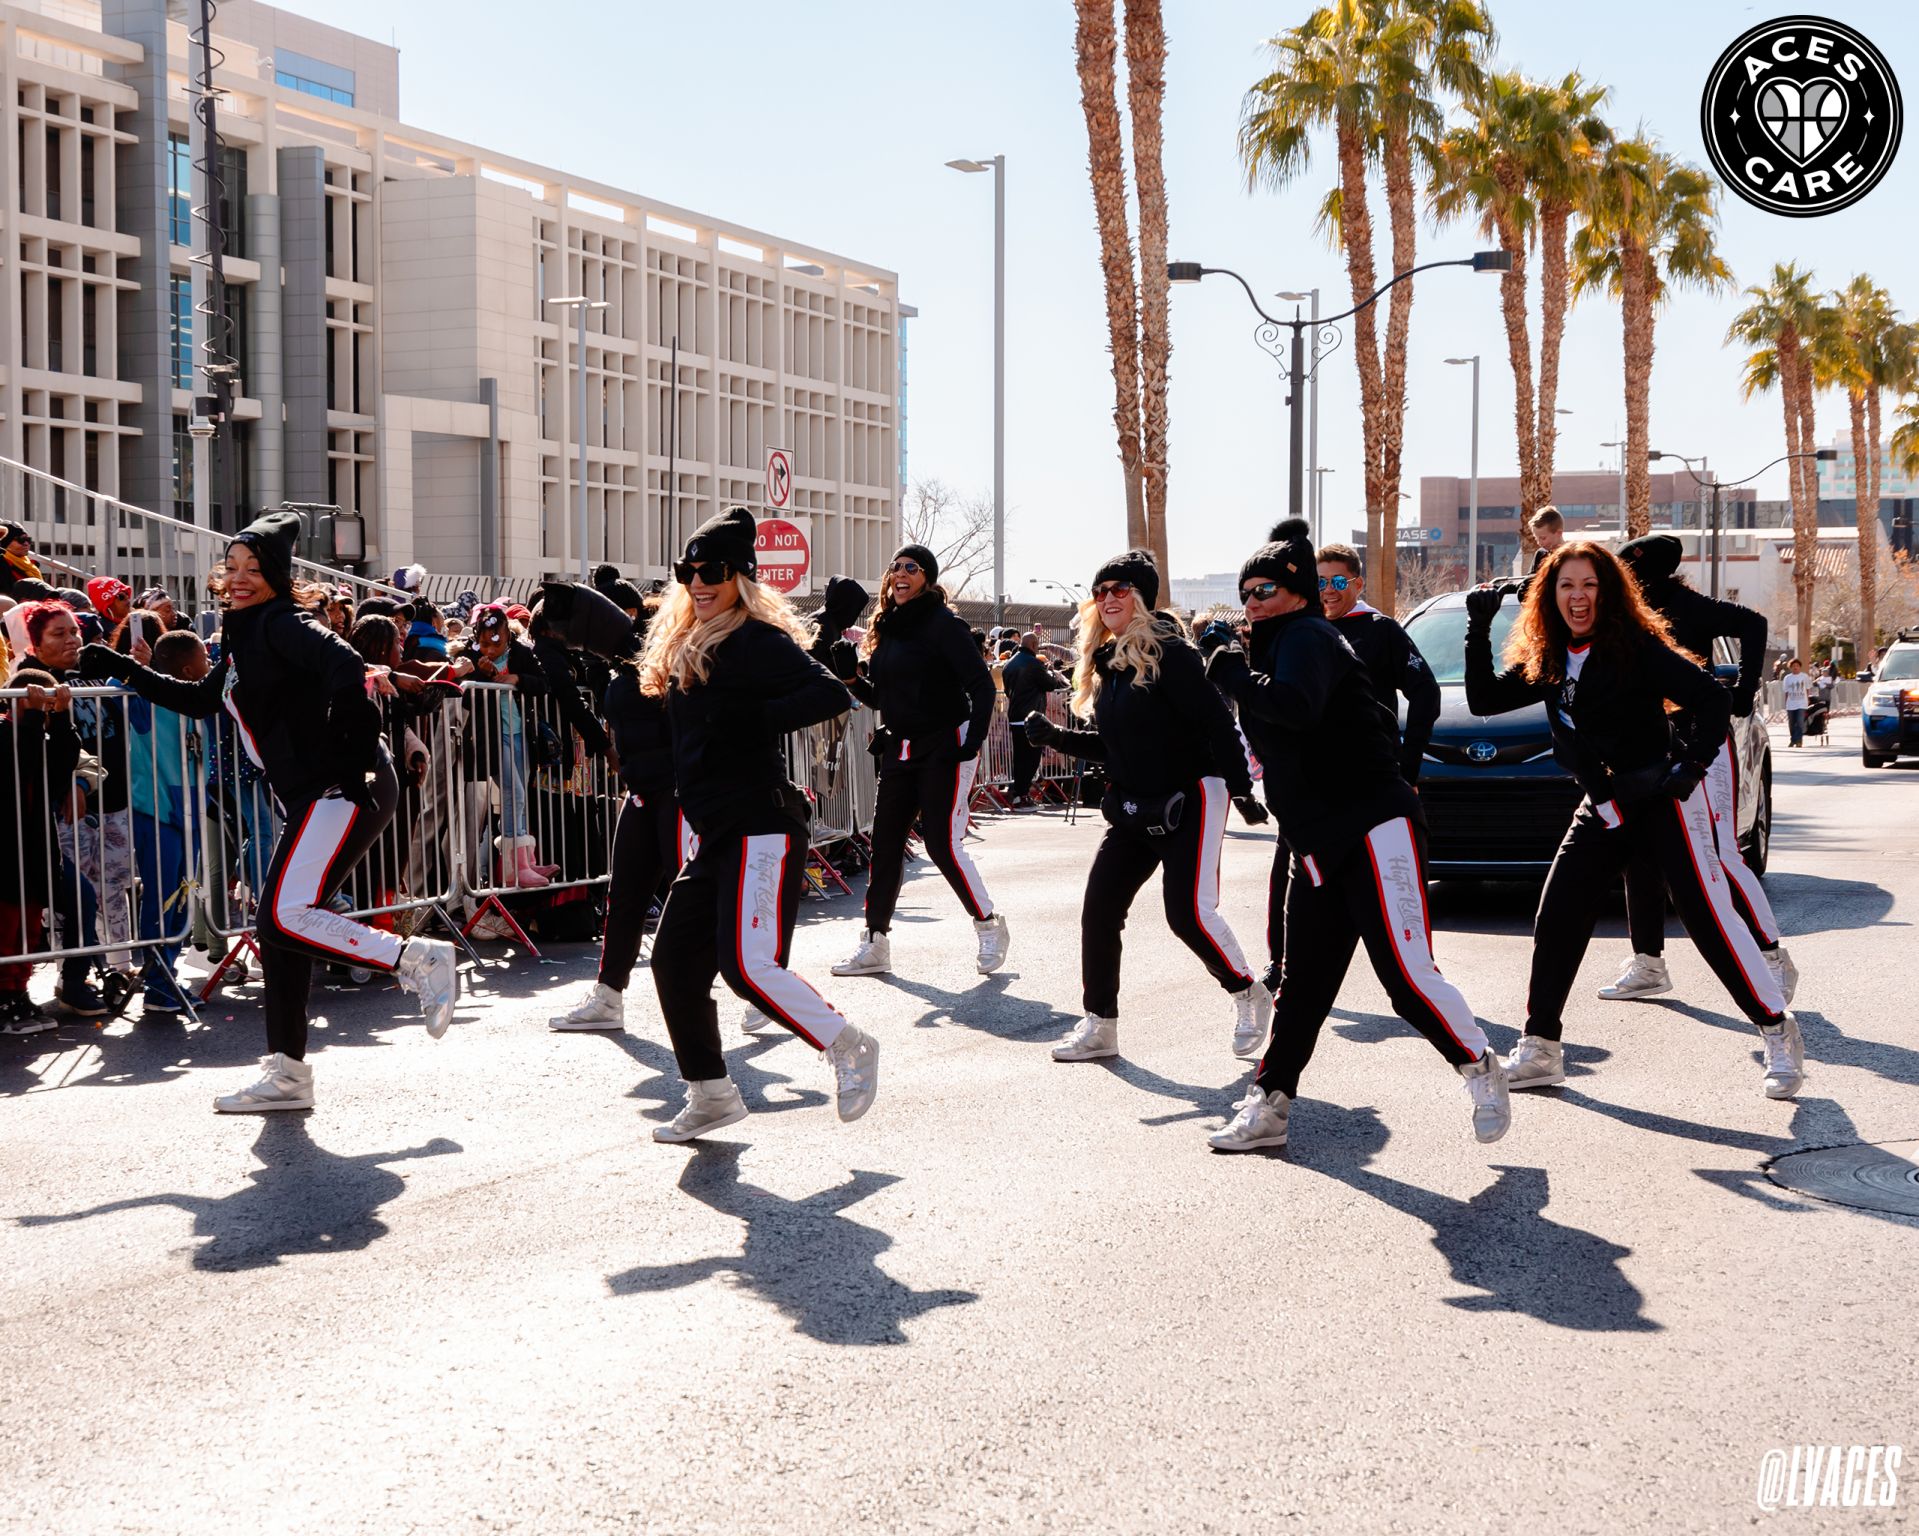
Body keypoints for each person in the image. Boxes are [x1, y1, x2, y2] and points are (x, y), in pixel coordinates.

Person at [78, 511, 460, 1113]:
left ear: (278, 578)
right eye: (231, 567)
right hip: (320, 792)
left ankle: (414, 959)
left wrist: (357, 756)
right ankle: (287, 1074)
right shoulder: (242, 630)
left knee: (282, 918)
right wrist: (124, 667)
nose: (239, 578)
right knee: (280, 932)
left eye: (254, 570)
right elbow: (203, 699)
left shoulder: (281, 624)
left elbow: (346, 667)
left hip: (343, 787)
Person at [1198, 520, 1508, 1151]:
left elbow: (1297, 707)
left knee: (1405, 974)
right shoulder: (1272, 644)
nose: (1253, 602)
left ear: (1297, 593)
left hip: (1371, 826)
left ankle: (1479, 1062)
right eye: (1246, 593)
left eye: (1266, 591)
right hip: (1313, 840)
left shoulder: (1310, 635)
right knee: (1304, 985)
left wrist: (1228, 670)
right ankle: (1271, 1103)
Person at [1463, 540, 1801, 1100]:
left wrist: (1689, 768)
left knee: (1708, 919)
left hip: (1662, 798)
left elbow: (1709, 700)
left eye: (1590, 586)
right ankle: (1541, 1047)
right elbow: (1483, 700)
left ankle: (1776, 1028)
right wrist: (1479, 628)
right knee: (1557, 917)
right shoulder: (1549, 655)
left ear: (1609, 593)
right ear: (1550, 594)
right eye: (1566, 585)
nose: (1578, 597)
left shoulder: (1636, 647)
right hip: (1603, 803)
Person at [637, 506, 877, 1141]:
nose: (697, 581)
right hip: (717, 830)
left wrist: (751, 718)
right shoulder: (691, 640)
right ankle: (712, 1093)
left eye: (711, 570)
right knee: (673, 964)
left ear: (740, 576)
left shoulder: (753, 639)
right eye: (686, 571)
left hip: (760, 823)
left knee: (747, 967)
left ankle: (848, 1044)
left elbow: (830, 693)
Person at [1021, 549, 1271, 1063]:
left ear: (1140, 598)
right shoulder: (1107, 660)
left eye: (1120, 590)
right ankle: (1100, 1026)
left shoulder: (1172, 652)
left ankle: (1247, 992)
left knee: (1188, 916)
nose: (1108, 598)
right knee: (1099, 911)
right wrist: (1057, 738)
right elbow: (1114, 745)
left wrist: (1242, 788)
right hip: (1134, 806)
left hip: (1193, 796)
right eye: (1100, 591)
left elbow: (1217, 722)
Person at [1604, 535, 1796, 1006]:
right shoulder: (1625, 617)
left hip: (1704, 746)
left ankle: (1772, 956)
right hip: (1652, 750)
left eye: (1627, 571)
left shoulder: (1687, 605)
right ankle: (1648, 964)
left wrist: (1744, 692)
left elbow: (1754, 623)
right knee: (1640, 857)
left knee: (1722, 854)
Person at [1254, 541, 1442, 995]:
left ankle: (1420, 977)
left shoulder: (1380, 630)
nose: (1330, 591)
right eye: (1320, 582)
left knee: (1392, 893)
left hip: (1367, 791)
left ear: (1357, 584)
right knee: (1288, 872)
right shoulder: (1293, 632)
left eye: (1339, 582)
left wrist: (1407, 769)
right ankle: (1281, 968)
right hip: (1307, 791)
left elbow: (1427, 693)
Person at [826, 542, 1008, 980]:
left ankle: (988, 924)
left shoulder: (945, 624)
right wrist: (850, 677)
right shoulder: (887, 627)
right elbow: (882, 700)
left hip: (942, 745)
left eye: (912, 567)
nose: (901, 573)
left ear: (927, 577)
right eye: (895, 567)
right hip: (899, 750)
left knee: (942, 844)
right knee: (885, 845)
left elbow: (982, 688)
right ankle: (875, 943)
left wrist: (971, 742)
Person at [546, 588, 692, 1031]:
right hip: (642, 793)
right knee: (624, 897)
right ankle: (608, 996)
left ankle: (753, 984)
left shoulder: (673, 658)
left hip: (677, 793)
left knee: (693, 898)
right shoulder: (616, 664)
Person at [124, 630, 208, 1016]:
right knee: (160, 900)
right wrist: (136, 667)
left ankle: (166, 976)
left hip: (189, 813)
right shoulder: (144, 698)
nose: (209, 665)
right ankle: (158, 984)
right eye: (204, 660)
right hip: (157, 813)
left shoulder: (199, 700)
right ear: (189, 669)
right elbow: (114, 684)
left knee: (181, 898)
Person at [453, 603, 556, 890]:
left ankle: (526, 860)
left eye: (494, 640)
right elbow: (463, 694)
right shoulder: (470, 658)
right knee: (515, 793)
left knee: (520, 798)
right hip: (492, 737)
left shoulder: (521, 654)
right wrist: (483, 674)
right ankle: (514, 868)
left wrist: (517, 679)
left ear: (506, 635)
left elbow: (543, 684)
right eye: (483, 642)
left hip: (521, 733)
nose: (488, 649)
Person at [0, 669, 80, 1033]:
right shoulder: (5, 731)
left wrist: (61, 720)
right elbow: (19, 768)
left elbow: (59, 771)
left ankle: (18, 992)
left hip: (33, 848)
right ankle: (3, 1000)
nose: (42, 711)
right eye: (37, 703)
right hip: (6, 849)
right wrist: (31, 718)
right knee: (5, 927)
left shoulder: (39, 730)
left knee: (29, 926)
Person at [1002, 632, 1070, 804]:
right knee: (1031, 759)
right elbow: (1051, 684)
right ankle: (1022, 795)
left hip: (1015, 715)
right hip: (1032, 717)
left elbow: (1007, 690)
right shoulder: (1033, 663)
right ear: (1033, 645)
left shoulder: (1008, 664)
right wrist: (1051, 672)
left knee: (1019, 758)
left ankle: (1017, 794)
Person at [1781, 658, 1809, 747]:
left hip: (1801, 703)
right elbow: (1786, 692)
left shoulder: (1804, 676)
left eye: (1797, 666)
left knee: (1800, 722)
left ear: (1800, 667)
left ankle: (1799, 741)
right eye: (1793, 666)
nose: (1795, 668)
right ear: (1790, 668)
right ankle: (1793, 740)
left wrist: (1807, 700)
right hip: (1791, 704)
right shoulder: (1787, 678)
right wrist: (1786, 703)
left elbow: (1807, 689)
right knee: (1791, 723)